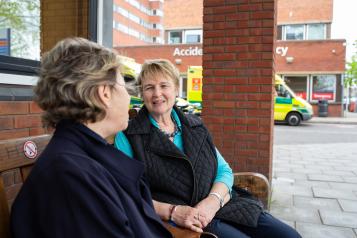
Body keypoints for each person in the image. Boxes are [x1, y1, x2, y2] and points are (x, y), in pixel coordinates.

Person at [115, 59, 301, 238]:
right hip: (183, 219)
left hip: (221, 204)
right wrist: (172, 212)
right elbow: (126, 194)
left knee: (290, 235)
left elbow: (223, 170)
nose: (157, 94)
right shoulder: (129, 136)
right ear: (141, 94)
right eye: (149, 87)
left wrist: (212, 202)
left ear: (176, 89)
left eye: (164, 86)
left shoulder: (195, 126)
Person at [10, 38, 172, 238]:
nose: (130, 98)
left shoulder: (83, 159)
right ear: (104, 93)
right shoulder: (70, 177)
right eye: (124, 87)